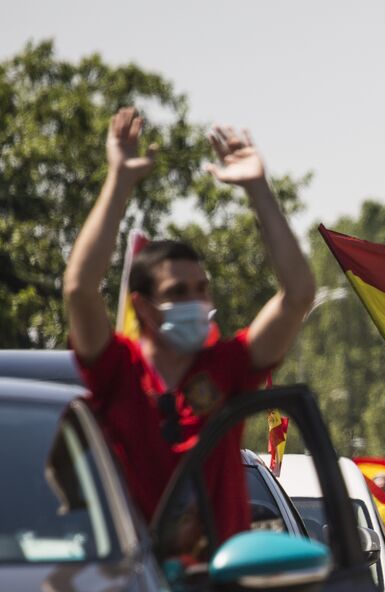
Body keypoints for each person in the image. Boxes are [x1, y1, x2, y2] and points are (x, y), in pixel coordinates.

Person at [63, 107, 314, 548]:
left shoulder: (227, 367)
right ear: (142, 307)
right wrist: (119, 181)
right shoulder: (117, 369)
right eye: (178, 292)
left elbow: (297, 295)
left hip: (221, 583)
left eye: (202, 289)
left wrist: (257, 188)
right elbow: (80, 290)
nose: (196, 302)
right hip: (134, 578)